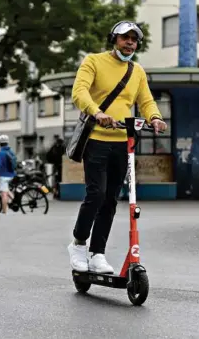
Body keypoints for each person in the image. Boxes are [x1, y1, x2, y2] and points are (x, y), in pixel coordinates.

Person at [67, 21, 167, 273]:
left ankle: (97, 253)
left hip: (124, 142)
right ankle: (78, 244)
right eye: (125, 38)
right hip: (96, 139)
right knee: (96, 193)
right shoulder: (93, 61)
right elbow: (79, 92)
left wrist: (155, 117)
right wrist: (97, 112)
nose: (130, 42)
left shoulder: (137, 71)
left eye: (134, 39)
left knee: (111, 199)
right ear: (114, 39)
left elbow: (146, 100)